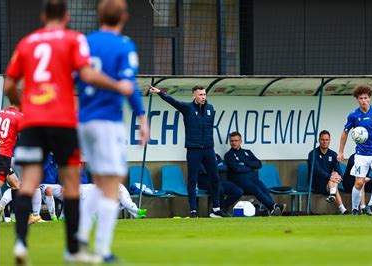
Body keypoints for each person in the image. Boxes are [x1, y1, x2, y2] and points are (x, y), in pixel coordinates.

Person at [4, 0, 134, 264]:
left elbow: (9, 84)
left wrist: (21, 102)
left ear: (43, 16)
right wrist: (117, 85)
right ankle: (73, 248)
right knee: (72, 184)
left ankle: (20, 243)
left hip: (33, 121)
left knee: (27, 182)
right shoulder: (74, 39)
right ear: (67, 16)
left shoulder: (27, 42)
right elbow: (87, 74)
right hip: (62, 120)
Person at [75, 0, 149, 262]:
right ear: (124, 17)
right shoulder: (124, 45)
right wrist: (141, 116)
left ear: (99, 16)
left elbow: (76, 78)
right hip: (107, 120)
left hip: (84, 120)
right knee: (112, 182)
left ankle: (80, 241)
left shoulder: (84, 43)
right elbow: (128, 85)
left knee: (100, 182)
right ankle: (102, 250)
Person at [149, 85, 226, 219]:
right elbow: (173, 102)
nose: (203, 97)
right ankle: (193, 210)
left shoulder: (210, 108)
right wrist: (160, 92)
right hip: (194, 149)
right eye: (201, 94)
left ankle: (216, 208)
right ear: (194, 95)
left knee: (215, 178)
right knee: (192, 179)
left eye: (204, 94)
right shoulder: (188, 108)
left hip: (208, 148)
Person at [337, 84, 372, 216]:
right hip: (362, 154)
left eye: (365, 98)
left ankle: (370, 205)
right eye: (360, 98)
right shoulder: (353, 116)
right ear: (357, 100)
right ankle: (355, 208)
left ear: (369, 98)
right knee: (359, 182)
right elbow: (345, 132)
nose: (363, 100)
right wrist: (341, 151)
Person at [224, 132, 285, 216]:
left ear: (240, 141)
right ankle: (274, 206)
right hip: (239, 180)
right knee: (255, 188)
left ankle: (272, 209)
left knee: (263, 188)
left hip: (252, 178)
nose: (234, 143)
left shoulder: (247, 152)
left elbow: (259, 164)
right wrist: (250, 167)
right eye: (232, 141)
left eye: (236, 140)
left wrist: (244, 163)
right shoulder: (228, 155)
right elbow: (237, 169)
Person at [307, 130, 349, 214]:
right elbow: (317, 170)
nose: (324, 142)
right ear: (319, 140)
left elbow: (339, 171)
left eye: (327, 140)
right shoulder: (313, 154)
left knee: (335, 175)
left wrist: (338, 176)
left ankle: (341, 206)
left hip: (330, 182)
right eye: (322, 139)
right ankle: (335, 197)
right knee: (333, 180)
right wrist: (331, 176)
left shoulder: (333, 154)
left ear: (329, 141)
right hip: (316, 182)